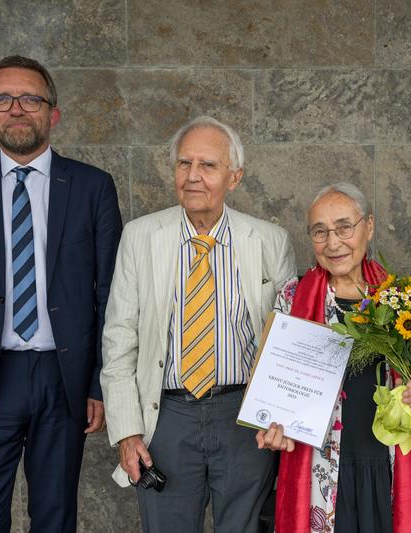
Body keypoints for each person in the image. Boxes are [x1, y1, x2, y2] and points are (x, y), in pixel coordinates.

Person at [0, 55, 123, 531]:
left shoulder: (93, 187)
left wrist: (99, 382)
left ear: (52, 113)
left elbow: (111, 295)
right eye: (1, 99)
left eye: (30, 98)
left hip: (64, 377)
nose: (16, 108)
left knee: (55, 518)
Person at [100, 115, 297, 533]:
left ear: (235, 177)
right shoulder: (140, 237)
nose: (193, 176)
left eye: (207, 165)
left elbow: (287, 341)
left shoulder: (269, 241)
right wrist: (127, 431)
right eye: (184, 164)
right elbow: (119, 340)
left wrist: (282, 416)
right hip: (167, 417)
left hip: (245, 416)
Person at [256, 183, 411, 533]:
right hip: (319, 470)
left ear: (369, 226)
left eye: (344, 227)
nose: (333, 243)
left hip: (389, 467)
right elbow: (271, 386)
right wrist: (269, 424)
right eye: (320, 232)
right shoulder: (292, 297)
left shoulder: (405, 299)